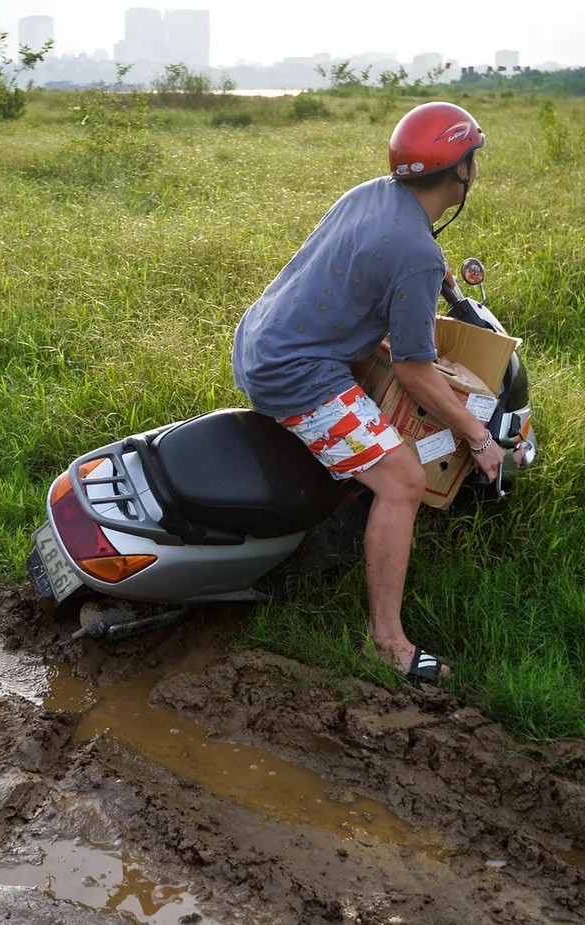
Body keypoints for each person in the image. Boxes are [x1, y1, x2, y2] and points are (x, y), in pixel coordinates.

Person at [231, 101, 503, 682]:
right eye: (473, 156)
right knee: (404, 478)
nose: (475, 167)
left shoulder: (375, 194)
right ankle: (387, 643)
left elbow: (359, 263)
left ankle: (334, 521)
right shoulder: (416, 252)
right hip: (293, 373)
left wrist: (430, 270)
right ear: (459, 171)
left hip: (261, 337)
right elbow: (415, 372)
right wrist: (477, 437)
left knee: (375, 435)